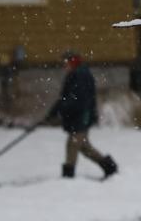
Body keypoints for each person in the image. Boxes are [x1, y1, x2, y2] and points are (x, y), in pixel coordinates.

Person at [48, 51, 118, 179]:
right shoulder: (74, 75)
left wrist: (62, 109)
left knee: (73, 143)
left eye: (66, 63)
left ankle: (68, 174)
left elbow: (76, 99)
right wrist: (53, 112)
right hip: (77, 116)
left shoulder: (81, 75)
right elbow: (65, 98)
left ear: (72, 62)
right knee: (84, 147)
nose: (64, 66)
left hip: (81, 116)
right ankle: (109, 167)